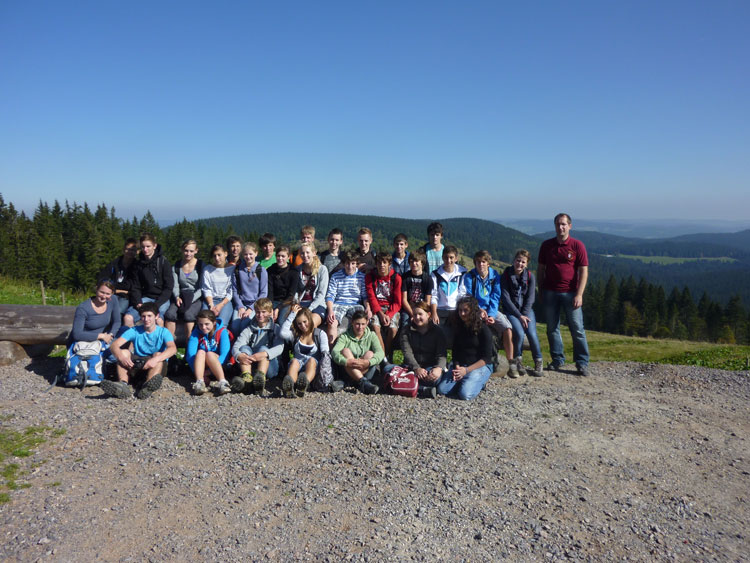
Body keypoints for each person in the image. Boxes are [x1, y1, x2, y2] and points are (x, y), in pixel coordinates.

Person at [537, 213, 590, 376]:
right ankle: (558, 359)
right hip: (550, 292)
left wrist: (579, 294)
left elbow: (584, 272)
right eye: (558, 224)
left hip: (571, 293)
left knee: (577, 328)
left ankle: (582, 363)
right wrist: (541, 290)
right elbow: (540, 269)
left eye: (563, 224)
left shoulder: (577, 246)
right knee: (552, 329)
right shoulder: (546, 245)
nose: (560, 227)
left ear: (570, 226)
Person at [103, 302, 177, 399]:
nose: (146, 319)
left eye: (149, 316)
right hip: (138, 363)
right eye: (143, 316)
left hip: (155, 365)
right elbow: (114, 345)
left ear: (156, 316)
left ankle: (147, 386)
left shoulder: (164, 332)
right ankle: (123, 385)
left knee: (158, 354)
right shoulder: (134, 330)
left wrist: (156, 359)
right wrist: (121, 356)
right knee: (124, 352)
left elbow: (173, 348)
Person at [464, 250, 516, 377]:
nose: (480, 264)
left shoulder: (495, 277)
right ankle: (486, 361)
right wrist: (479, 310)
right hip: (476, 310)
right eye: (478, 262)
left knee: (507, 328)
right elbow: (469, 296)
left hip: (491, 310)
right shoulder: (470, 276)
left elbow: (495, 297)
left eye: (483, 262)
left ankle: (511, 362)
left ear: (488, 263)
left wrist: (491, 315)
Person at [437, 296, 493, 401]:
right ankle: (466, 381)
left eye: (466, 310)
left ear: (473, 311)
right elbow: (455, 351)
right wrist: (458, 368)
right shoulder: (459, 327)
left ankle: (478, 382)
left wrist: (466, 371)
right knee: (442, 389)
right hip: (462, 364)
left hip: (480, 365)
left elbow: (487, 358)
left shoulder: (484, 330)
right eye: (460, 310)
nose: (462, 313)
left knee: (465, 394)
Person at [66, 280, 121, 386]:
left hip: (103, 340)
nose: (104, 296)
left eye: (107, 294)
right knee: (114, 357)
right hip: (83, 342)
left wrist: (111, 334)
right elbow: (77, 334)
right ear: (96, 290)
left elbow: (117, 321)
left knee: (120, 349)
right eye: (102, 292)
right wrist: (100, 336)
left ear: (112, 294)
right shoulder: (83, 308)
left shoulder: (113, 300)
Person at [502, 249, 544, 377]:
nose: (520, 264)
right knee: (519, 333)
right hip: (512, 312)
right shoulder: (506, 275)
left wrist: (524, 314)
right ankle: (517, 361)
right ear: (514, 260)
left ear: (527, 264)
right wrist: (519, 316)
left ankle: (538, 361)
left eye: (523, 262)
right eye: (518, 260)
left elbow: (531, 298)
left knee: (531, 333)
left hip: (526, 311)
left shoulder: (530, 277)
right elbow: (505, 298)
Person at [230, 298, 283, 395]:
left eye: (264, 312)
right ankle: (247, 380)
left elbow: (280, 347)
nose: (260, 315)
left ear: (270, 312)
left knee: (263, 349)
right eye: (258, 312)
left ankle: (260, 380)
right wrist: (239, 355)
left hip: (270, 367)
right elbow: (236, 346)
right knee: (243, 349)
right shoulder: (249, 329)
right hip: (251, 363)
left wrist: (265, 353)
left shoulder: (276, 328)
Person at [397, 301, 446, 398]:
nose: (417, 317)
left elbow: (442, 353)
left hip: (429, 367)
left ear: (428, 315)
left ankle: (408, 385)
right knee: (388, 370)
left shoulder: (437, 331)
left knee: (435, 379)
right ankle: (423, 389)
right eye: (415, 315)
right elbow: (407, 353)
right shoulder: (406, 330)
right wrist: (416, 368)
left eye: (420, 314)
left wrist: (439, 368)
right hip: (411, 367)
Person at [123, 233, 173, 328]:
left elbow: (168, 287)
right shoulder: (139, 264)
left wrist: (156, 304)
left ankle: (158, 342)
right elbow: (135, 286)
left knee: (158, 320)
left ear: (155, 246)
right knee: (128, 317)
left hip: (161, 299)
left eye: (148, 246)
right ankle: (130, 342)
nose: (145, 250)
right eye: (143, 247)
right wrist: (138, 302)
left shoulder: (163, 262)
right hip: (145, 298)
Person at [279, 304, 329, 398]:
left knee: (312, 361)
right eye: (299, 323)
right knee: (294, 361)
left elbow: (325, 354)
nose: (303, 325)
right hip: (298, 365)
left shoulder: (320, 334)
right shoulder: (295, 334)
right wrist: (292, 314)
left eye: (305, 321)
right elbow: (283, 333)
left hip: (313, 368)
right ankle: (291, 387)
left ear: (310, 319)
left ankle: (303, 385)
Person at [331, 310, 383, 395]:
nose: (360, 327)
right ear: (352, 323)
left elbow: (380, 353)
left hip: (365, 370)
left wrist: (368, 362)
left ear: (367, 323)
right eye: (357, 324)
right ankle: (363, 383)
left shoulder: (372, 335)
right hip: (347, 369)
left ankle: (348, 382)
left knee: (370, 353)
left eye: (363, 324)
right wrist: (346, 361)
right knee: (345, 351)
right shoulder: (344, 336)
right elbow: (334, 352)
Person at [324, 250, 369, 346]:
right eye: (347, 263)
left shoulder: (361, 277)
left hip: (356, 304)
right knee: (332, 323)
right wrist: (330, 310)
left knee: (361, 323)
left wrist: (368, 308)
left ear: (357, 264)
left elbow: (365, 297)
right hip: (339, 303)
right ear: (344, 263)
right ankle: (331, 351)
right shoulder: (336, 276)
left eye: (353, 263)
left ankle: (358, 350)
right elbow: (330, 295)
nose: (350, 266)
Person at [185, 310, 232, 395]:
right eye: (200, 324)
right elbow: (190, 355)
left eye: (207, 324)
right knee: (200, 352)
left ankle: (223, 382)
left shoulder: (222, 331)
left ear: (214, 322)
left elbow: (225, 355)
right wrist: (197, 372)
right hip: (201, 367)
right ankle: (199, 382)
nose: (203, 327)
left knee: (209, 354)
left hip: (218, 365)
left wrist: (209, 372)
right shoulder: (195, 332)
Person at [165, 239, 204, 339]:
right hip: (181, 295)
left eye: (191, 251)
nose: (188, 253)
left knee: (189, 315)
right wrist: (177, 296)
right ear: (182, 250)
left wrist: (191, 299)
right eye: (186, 250)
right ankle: (169, 346)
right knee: (170, 314)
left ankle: (189, 345)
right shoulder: (177, 266)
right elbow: (175, 284)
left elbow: (202, 287)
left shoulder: (200, 266)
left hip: (196, 296)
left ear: (196, 251)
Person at [365, 252, 402, 358]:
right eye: (379, 262)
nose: (382, 265)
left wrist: (389, 315)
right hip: (377, 308)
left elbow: (397, 302)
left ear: (389, 264)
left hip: (391, 308)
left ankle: (388, 353)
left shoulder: (396, 278)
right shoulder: (370, 277)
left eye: (384, 262)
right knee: (375, 326)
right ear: (376, 264)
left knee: (393, 329)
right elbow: (372, 298)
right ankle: (382, 357)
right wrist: (380, 314)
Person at [430, 245, 467, 342]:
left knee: (459, 335)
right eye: (446, 257)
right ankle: (439, 356)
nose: (448, 260)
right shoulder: (435, 274)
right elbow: (434, 295)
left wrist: (460, 312)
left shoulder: (462, 273)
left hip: (456, 310)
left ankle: (458, 356)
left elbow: (462, 294)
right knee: (436, 334)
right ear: (442, 257)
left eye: (451, 257)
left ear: (456, 258)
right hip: (440, 310)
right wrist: (434, 313)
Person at [231, 242, 269, 335]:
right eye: (245, 254)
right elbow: (235, 290)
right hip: (241, 303)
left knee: (244, 324)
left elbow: (263, 292)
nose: (248, 257)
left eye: (250, 254)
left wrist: (251, 308)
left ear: (256, 253)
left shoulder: (261, 270)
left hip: (255, 305)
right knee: (234, 326)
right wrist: (240, 306)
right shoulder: (237, 270)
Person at [98, 238, 137, 316]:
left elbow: (130, 285)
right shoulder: (115, 263)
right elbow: (102, 278)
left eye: (133, 250)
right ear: (123, 249)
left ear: (136, 252)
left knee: (118, 312)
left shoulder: (137, 266)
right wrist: (117, 290)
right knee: (101, 309)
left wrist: (112, 286)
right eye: (128, 249)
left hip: (126, 297)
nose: (130, 252)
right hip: (111, 294)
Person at [295, 242, 328, 328]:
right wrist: (295, 302)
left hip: (317, 304)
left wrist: (309, 309)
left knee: (309, 325)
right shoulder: (298, 270)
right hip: (301, 303)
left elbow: (321, 293)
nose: (305, 255)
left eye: (307, 252)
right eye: (302, 253)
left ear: (314, 253)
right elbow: (296, 290)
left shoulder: (322, 269)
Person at [201, 244, 235, 328]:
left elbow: (231, 290)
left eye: (219, 255)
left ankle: (221, 341)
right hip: (210, 300)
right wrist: (211, 305)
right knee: (204, 322)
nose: (217, 258)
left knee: (222, 323)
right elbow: (206, 288)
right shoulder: (207, 269)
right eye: (214, 255)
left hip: (225, 301)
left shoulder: (232, 269)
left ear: (225, 254)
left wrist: (221, 305)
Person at [267, 245, 300, 324]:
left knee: (282, 321)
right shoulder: (270, 270)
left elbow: (291, 295)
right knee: (267, 319)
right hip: (273, 301)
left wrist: (278, 308)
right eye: (278, 256)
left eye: (283, 256)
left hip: (287, 302)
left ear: (288, 257)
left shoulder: (293, 272)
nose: (280, 258)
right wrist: (270, 308)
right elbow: (270, 291)